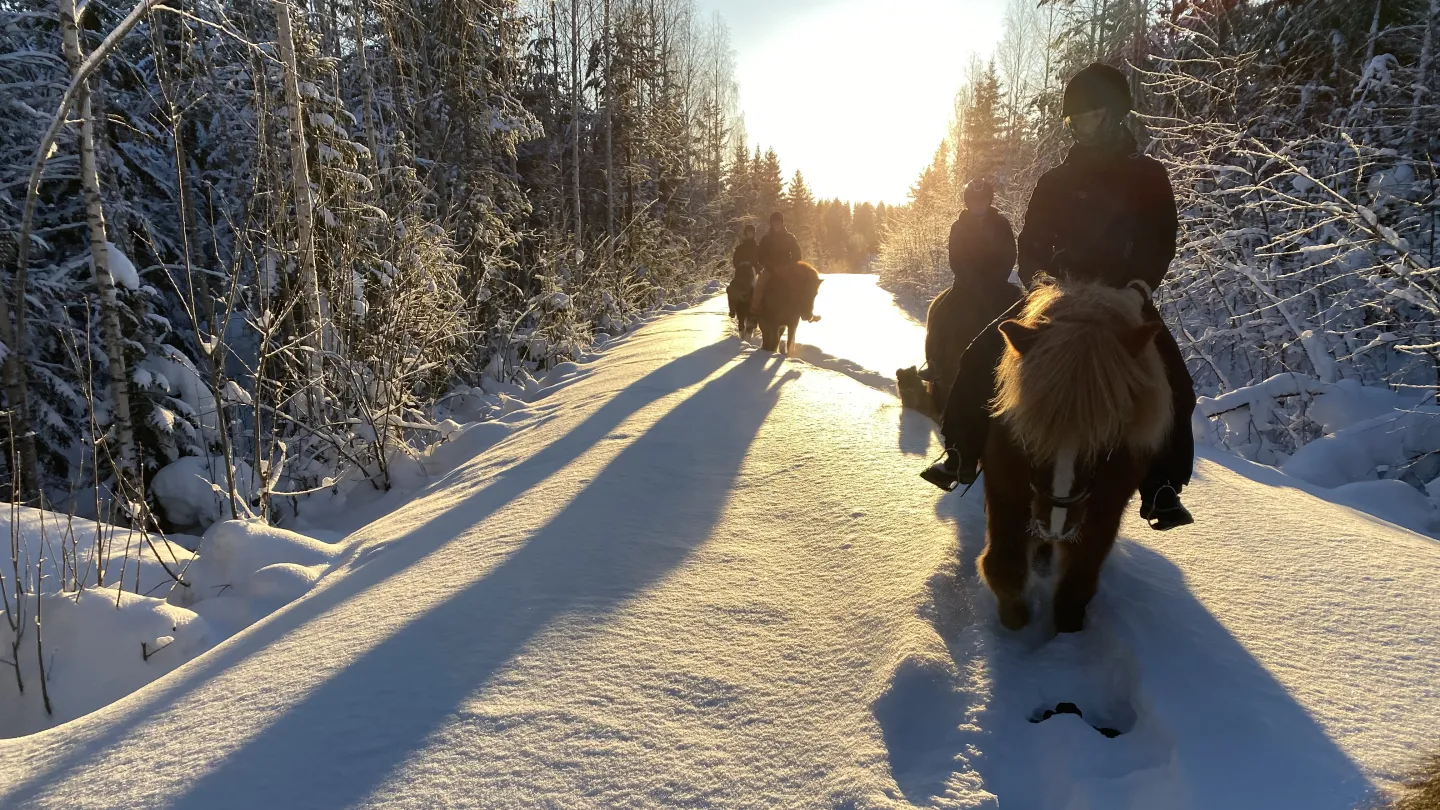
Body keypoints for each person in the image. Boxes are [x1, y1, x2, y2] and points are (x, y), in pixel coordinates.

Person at [923, 63, 1197, 531]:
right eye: (1073, 120)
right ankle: (962, 452)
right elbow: (1031, 244)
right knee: (980, 353)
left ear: (1112, 115)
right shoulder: (1055, 180)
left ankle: (1160, 486)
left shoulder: (1148, 177)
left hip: (1120, 299)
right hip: (1058, 297)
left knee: (1174, 382)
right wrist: (1040, 287)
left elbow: (1159, 240)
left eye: (1087, 116)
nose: (1079, 127)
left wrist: (1137, 289)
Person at [920, 178, 1019, 384]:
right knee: (939, 316)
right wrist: (971, 281)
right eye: (975, 200)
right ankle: (935, 364)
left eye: (983, 200)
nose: (979, 204)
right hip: (966, 286)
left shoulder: (1001, 224)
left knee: (1025, 309)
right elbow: (956, 258)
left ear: (989, 200)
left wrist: (995, 278)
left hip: (997, 285)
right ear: (968, 202)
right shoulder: (959, 226)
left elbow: (1009, 253)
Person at [750, 211, 802, 316]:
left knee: (799, 286)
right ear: (771, 223)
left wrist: (788, 266)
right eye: (774, 222)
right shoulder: (766, 238)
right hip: (770, 269)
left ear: (782, 223)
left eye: (778, 222)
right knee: (759, 286)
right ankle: (753, 311)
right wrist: (770, 266)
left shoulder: (790, 237)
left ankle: (803, 311)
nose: (776, 224)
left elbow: (797, 254)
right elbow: (761, 256)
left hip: (786, 270)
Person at [728, 224, 760, 318]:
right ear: (746, 233)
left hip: (754, 274)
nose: (750, 234)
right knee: (731, 288)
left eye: (752, 232)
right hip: (741, 275)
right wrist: (741, 267)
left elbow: (762, 261)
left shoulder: (758, 248)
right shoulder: (740, 248)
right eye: (748, 232)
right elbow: (735, 261)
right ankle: (732, 310)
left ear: (754, 234)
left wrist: (756, 268)